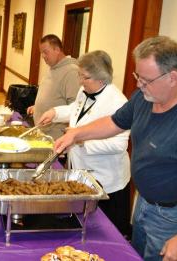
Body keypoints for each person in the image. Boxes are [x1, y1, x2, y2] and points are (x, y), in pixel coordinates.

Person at [54, 36, 177, 261]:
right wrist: (77, 133)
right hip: (143, 203)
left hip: (170, 216)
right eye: (138, 77)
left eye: (146, 79)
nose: (138, 85)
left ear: (172, 77)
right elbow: (115, 122)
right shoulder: (145, 97)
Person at [38, 50, 131, 236]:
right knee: (83, 228)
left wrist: (80, 140)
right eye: (79, 75)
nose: (80, 81)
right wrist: (55, 112)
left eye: (85, 77)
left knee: (106, 233)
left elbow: (119, 145)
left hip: (106, 179)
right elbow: (76, 110)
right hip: (81, 171)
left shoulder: (119, 103)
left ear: (101, 79)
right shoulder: (85, 89)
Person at [27, 34, 80, 140]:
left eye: (45, 52)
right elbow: (54, 95)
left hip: (55, 136)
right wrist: (37, 107)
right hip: (43, 132)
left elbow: (75, 107)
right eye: (41, 53)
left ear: (57, 49)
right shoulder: (54, 67)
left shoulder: (71, 71)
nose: (43, 56)